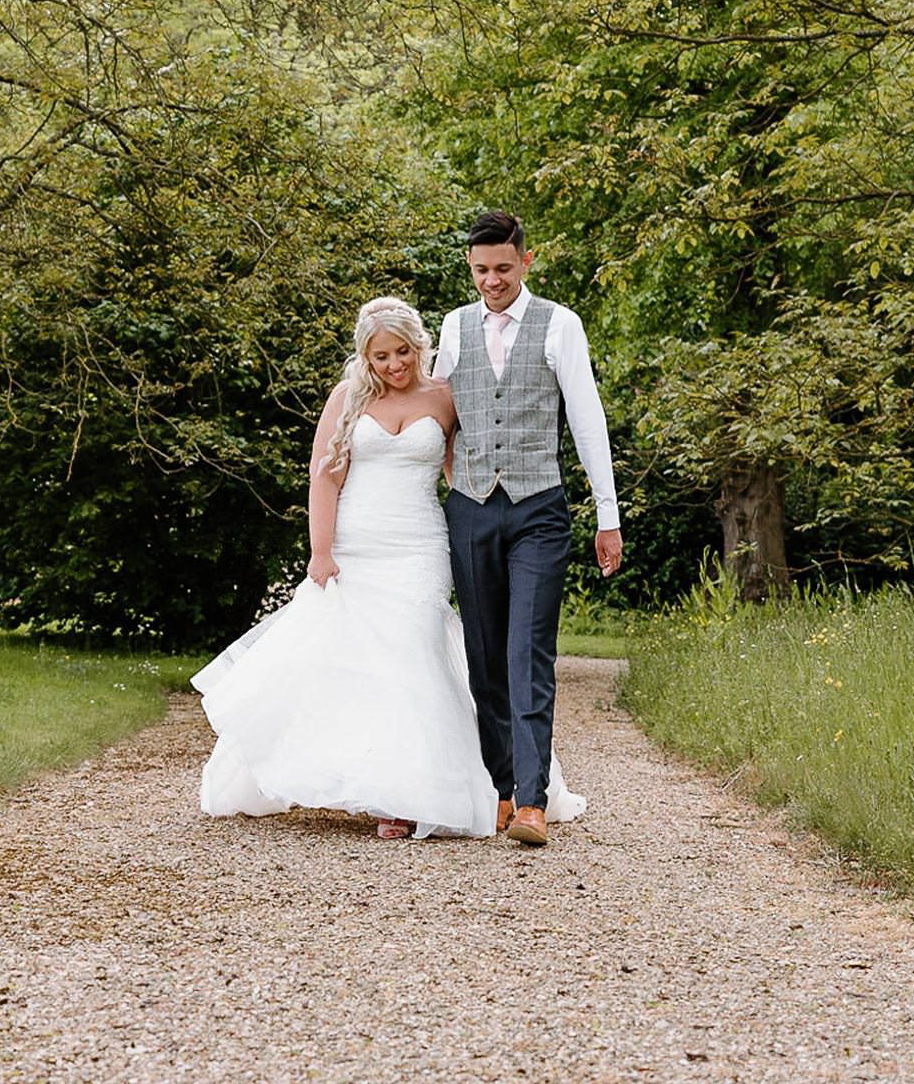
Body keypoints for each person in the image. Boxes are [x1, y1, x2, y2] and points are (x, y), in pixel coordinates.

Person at [196, 296, 583, 839]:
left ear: (420, 347)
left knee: (412, 648)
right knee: (352, 660)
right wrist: (321, 550)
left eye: (402, 352)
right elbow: (324, 475)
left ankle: (406, 796)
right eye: (381, 357)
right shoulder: (347, 398)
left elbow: (468, 467)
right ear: (366, 356)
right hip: (356, 542)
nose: (394, 365)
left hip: (421, 544)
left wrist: (499, 528)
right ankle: (367, 781)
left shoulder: (445, 398)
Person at [436, 210, 624, 847]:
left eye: (503, 269)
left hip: (538, 507)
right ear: (471, 266)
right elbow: (441, 414)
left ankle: (534, 802)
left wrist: (608, 515)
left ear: (527, 261)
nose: (492, 281)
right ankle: (502, 789)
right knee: (484, 657)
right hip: (469, 505)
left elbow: (587, 418)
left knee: (528, 652)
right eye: (482, 270)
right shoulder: (455, 327)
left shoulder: (559, 324)